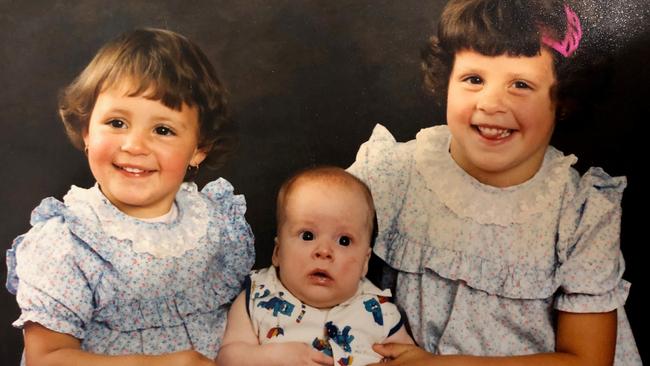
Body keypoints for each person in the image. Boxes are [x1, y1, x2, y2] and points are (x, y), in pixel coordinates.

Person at [348, 1, 641, 365]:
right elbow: (306, 236)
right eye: (474, 79)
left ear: (563, 99)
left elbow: (587, 359)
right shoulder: (396, 172)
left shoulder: (580, 212)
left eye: (520, 84)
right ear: (447, 81)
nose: (491, 103)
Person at [5, 28, 254, 365]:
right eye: (117, 122)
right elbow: (46, 358)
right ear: (86, 131)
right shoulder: (68, 242)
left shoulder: (213, 223)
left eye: (162, 130)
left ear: (199, 149)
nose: (135, 145)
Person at [217, 166, 413, 366]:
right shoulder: (257, 295)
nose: (324, 251)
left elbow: (413, 360)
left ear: (365, 262)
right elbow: (228, 358)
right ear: (278, 252)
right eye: (307, 236)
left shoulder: (381, 311)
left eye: (344, 241)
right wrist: (270, 357)